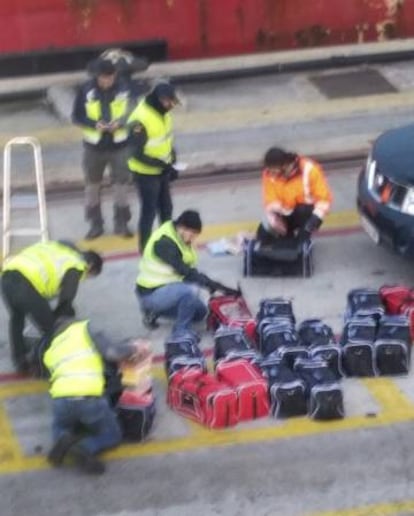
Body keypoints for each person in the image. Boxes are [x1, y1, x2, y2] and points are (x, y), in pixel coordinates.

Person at [44, 317, 142, 475]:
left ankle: (63, 439)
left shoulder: (51, 350)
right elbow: (112, 353)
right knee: (112, 434)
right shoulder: (83, 328)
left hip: (61, 399)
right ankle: (85, 447)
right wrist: (134, 347)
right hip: (88, 397)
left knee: (60, 426)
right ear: (73, 323)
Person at [1, 240, 103, 373]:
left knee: (17, 318)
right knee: (51, 329)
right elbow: (65, 301)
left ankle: (19, 360)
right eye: (89, 276)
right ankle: (40, 362)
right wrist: (62, 324)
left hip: (7, 277)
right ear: (90, 266)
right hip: (26, 284)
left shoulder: (59, 248)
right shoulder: (76, 265)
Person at [135, 210, 239, 332]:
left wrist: (216, 286)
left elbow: (190, 269)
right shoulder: (164, 243)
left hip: (168, 288)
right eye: (193, 234)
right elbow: (187, 273)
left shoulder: (179, 236)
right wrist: (214, 286)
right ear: (182, 228)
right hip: (150, 294)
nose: (193, 238)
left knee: (200, 313)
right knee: (190, 290)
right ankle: (181, 331)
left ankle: (154, 312)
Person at [72, 58, 134, 240]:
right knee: (92, 186)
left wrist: (121, 123)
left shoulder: (125, 89)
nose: (106, 82)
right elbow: (76, 116)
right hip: (93, 147)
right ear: (96, 76)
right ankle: (95, 224)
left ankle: (121, 224)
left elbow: (135, 113)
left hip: (120, 146)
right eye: (102, 78)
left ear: (115, 75)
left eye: (109, 78)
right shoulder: (86, 90)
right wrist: (93, 124)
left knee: (121, 185)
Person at [127, 81, 180, 252]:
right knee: (149, 212)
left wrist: (173, 160)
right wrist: (163, 165)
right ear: (159, 99)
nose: (171, 106)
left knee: (166, 208)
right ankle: (146, 248)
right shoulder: (140, 119)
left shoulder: (164, 114)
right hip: (145, 173)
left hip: (162, 170)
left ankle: (166, 242)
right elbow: (136, 153)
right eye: (168, 102)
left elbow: (166, 140)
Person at [256, 147, 333, 245]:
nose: (272, 174)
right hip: (285, 213)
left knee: (300, 243)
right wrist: (274, 220)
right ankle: (287, 237)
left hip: (307, 213)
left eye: (274, 171)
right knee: (263, 235)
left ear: (283, 165)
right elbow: (270, 200)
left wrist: (317, 217)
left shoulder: (309, 169)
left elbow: (324, 198)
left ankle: (302, 239)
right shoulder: (269, 174)